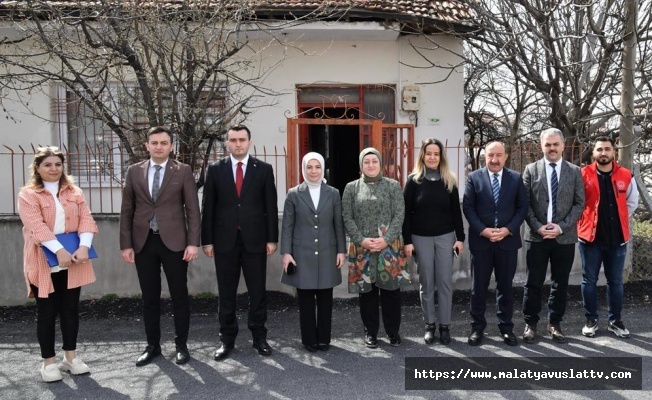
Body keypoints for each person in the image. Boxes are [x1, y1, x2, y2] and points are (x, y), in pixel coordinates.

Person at [119, 126, 201, 366]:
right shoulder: (134, 172)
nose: (158, 146)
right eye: (154, 142)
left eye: (163, 143)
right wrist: (126, 244)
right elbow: (127, 210)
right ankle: (153, 346)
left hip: (174, 243)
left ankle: (181, 346)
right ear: (146, 145)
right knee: (149, 297)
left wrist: (192, 243)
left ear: (171, 146)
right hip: (144, 243)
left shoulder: (183, 171)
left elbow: (193, 210)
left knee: (179, 296)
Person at [18, 146, 97, 382]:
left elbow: (87, 219)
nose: (53, 169)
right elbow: (36, 226)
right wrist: (59, 250)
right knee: (47, 312)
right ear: (38, 168)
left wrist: (84, 246)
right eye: (48, 165)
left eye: (58, 164)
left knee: (70, 310)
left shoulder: (74, 191)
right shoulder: (28, 194)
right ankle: (48, 362)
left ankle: (70, 358)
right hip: (44, 259)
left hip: (75, 259)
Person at [201, 124, 279, 360]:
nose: (238, 144)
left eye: (242, 139)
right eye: (233, 140)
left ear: (249, 142)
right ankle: (227, 339)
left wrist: (272, 238)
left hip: (255, 241)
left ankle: (259, 337)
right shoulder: (215, 169)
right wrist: (207, 241)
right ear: (227, 143)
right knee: (226, 293)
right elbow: (208, 208)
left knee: (257, 293)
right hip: (224, 242)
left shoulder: (263, 169)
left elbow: (270, 206)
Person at [521, 128, 584, 344]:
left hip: (563, 238)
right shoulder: (530, 170)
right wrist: (538, 226)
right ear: (541, 146)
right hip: (536, 237)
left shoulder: (575, 171)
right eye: (548, 144)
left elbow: (579, 203)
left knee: (560, 284)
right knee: (533, 283)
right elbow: (525, 203)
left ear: (563, 145)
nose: (552, 148)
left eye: (555, 144)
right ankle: (530, 324)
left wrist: (562, 227)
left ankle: (555, 324)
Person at [462, 141, 527, 347]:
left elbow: (522, 208)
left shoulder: (516, 178)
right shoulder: (474, 178)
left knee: (505, 287)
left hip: (507, 241)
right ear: (485, 157)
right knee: (478, 287)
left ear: (505, 156)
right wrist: (483, 230)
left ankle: (506, 328)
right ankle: (477, 327)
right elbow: (469, 208)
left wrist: (508, 230)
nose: (494, 159)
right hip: (482, 241)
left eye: (499, 155)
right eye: (490, 155)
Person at [342, 147, 408, 348]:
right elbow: (347, 216)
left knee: (391, 291)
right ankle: (370, 332)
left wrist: (386, 239)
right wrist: (360, 240)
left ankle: (393, 332)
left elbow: (399, 214)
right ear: (361, 165)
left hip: (389, 247)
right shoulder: (351, 188)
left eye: (374, 161)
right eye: (366, 162)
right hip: (363, 248)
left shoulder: (393, 186)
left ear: (380, 164)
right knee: (367, 292)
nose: (370, 165)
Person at [280, 152, 347, 352]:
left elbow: (338, 224)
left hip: (328, 250)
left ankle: (324, 339)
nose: (314, 171)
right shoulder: (294, 193)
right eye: (309, 167)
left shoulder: (333, 193)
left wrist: (341, 251)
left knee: (326, 298)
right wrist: (286, 252)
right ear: (304, 169)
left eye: (317, 167)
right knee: (306, 300)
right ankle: (309, 340)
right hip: (302, 253)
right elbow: (287, 226)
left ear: (323, 169)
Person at [402, 138, 465, 345]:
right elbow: (406, 214)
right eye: (428, 153)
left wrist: (460, 238)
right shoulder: (413, 181)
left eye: (436, 154)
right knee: (426, 283)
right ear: (423, 155)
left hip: (446, 238)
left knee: (445, 282)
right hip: (420, 239)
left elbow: (457, 211)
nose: (432, 157)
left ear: (441, 157)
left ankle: (445, 326)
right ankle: (429, 326)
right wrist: (408, 241)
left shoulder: (449, 180)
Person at [578, 137, 638, 339]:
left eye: (607, 149)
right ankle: (591, 320)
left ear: (614, 152)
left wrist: (619, 220)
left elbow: (631, 203)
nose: (603, 153)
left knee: (615, 281)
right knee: (589, 280)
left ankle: (615, 320)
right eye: (599, 149)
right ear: (593, 152)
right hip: (590, 239)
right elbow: (577, 203)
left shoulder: (626, 175)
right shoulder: (583, 174)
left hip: (617, 239)